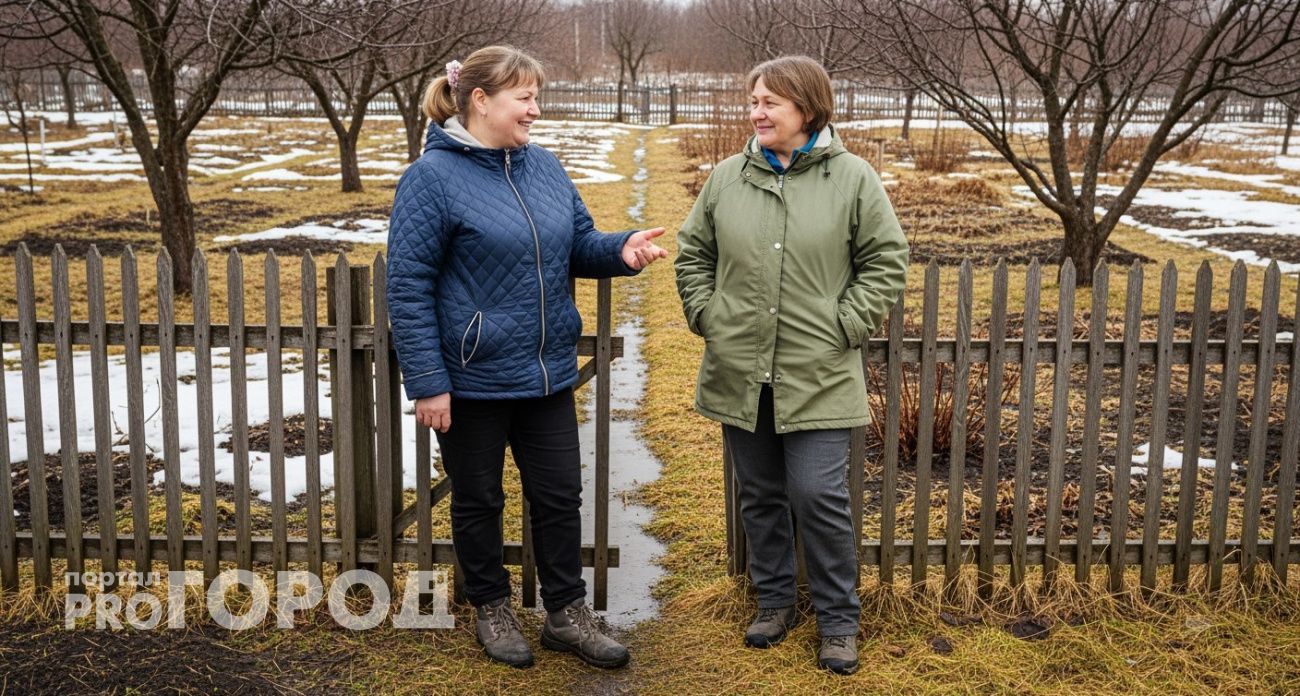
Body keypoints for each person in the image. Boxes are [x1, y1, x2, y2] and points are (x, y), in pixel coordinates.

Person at [386, 45, 667, 670]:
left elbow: (578, 242)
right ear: (480, 100)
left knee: (560, 495)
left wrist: (619, 250)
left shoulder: (543, 166)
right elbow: (407, 287)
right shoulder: (430, 179)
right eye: (525, 97)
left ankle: (566, 614)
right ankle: (491, 606)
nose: (536, 109)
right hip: (471, 378)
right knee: (479, 499)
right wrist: (428, 381)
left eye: (537, 97)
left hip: (545, 374)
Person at [674, 55, 908, 675]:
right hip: (740, 368)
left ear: (807, 107)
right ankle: (774, 602)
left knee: (818, 495)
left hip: (818, 370)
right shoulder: (728, 177)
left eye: (770, 102)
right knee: (759, 494)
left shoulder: (852, 178)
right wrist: (709, 315)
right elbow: (692, 254)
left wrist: (844, 324)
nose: (757, 112)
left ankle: (838, 621)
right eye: (753, 101)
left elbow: (887, 259)